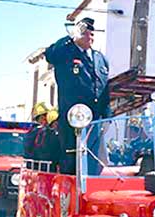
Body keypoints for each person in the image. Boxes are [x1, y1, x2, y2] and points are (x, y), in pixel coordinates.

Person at [45, 17, 110, 175]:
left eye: (91, 34)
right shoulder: (66, 52)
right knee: (71, 163)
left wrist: (107, 116)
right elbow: (50, 54)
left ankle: (89, 189)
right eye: (85, 33)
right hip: (72, 120)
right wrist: (71, 37)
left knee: (92, 163)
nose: (89, 37)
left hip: (94, 120)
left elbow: (104, 89)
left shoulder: (100, 58)